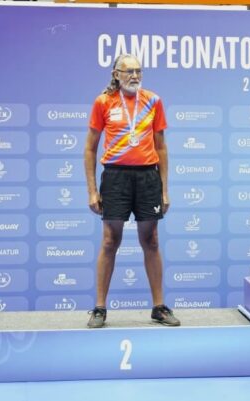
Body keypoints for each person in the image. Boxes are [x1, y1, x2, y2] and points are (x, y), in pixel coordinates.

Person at [84, 54, 180, 328]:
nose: (135, 76)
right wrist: (92, 190)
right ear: (116, 74)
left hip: (148, 177)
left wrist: (164, 189)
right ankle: (100, 308)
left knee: (151, 241)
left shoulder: (153, 100)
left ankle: (158, 307)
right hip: (115, 178)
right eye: (128, 71)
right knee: (109, 241)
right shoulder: (103, 102)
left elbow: (161, 147)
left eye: (139, 71)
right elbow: (90, 148)